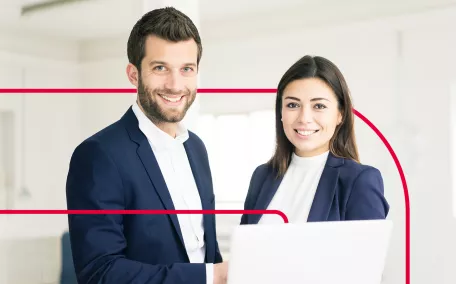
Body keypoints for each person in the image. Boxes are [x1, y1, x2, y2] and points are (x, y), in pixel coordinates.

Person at [65, 7, 227, 284]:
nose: (175, 85)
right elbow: (100, 272)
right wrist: (209, 277)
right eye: (160, 68)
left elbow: (204, 251)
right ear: (133, 74)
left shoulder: (196, 148)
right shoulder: (98, 156)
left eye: (186, 69)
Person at [240, 55, 389, 225]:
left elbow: (368, 251)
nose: (304, 118)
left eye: (319, 106)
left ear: (340, 114)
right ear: (280, 112)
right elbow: (245, 246)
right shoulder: (263, 176)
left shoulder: (359, 180)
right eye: (293, 105)